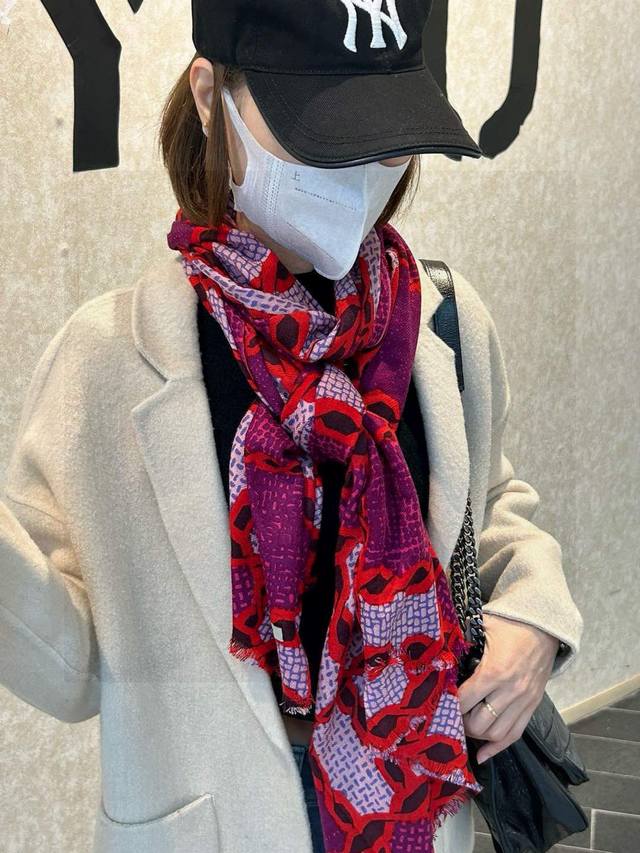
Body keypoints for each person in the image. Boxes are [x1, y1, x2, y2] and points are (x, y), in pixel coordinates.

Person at [0, 2, 583, 852]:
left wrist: (533, 618)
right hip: (210, 821)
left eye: (384, 135)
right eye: (319, 133)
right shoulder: (107, 362)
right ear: (211, 98)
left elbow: (491, 508)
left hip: (416, 802)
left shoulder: (443, 324)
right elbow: (74, 671)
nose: (355, 168)